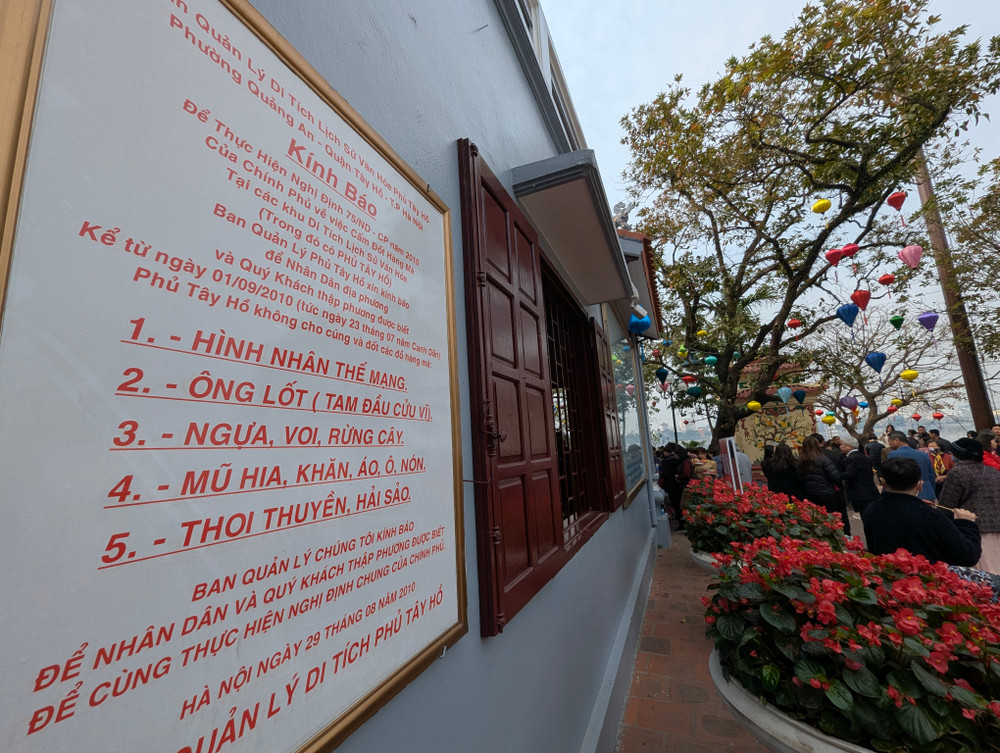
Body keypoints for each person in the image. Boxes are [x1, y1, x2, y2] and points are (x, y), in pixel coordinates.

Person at [863, 457, 980, 566]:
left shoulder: (871, 510)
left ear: (883, 482)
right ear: (920, 485)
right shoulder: (931, 516)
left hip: (887, 575)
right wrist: (966, 524)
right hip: (926, 578)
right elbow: (969, 556)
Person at [939, 438, 1000, 573]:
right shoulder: (993, 472)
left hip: (972, 528)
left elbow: (947, 504)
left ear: (958, 455)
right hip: (997, 525)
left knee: (983, 571)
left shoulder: (957, 472)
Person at [797, 435, 849, 534]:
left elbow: (800, 478)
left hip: (810, 493)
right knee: (831, 517)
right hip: (826, 492)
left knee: (817, 518)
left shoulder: (801, 461)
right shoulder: (823, 459)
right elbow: (834, 475)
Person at [885, 431, 936, 502]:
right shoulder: (923, 454)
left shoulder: (892, 455)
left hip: (904, 495)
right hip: (926, 492)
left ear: (897, 440)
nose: (889, 445)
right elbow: (931, 475)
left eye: (890, 442)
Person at [840, 437, 879, 516]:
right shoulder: (861, 455)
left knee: (866, 515)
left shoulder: (852, 458)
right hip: (869, 490)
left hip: (861, 492)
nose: (840, 446)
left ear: (849, 446)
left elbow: (849, 474)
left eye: (842, 444)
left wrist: (837, 475)